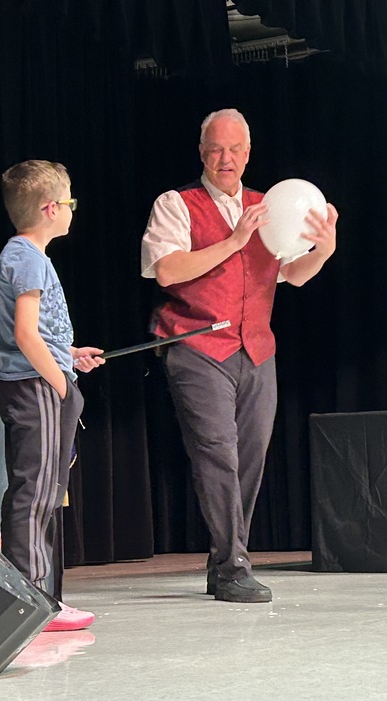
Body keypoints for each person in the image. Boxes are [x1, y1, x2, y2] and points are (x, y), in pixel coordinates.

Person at [141, 108, 338, 603]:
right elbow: (167, 272)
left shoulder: (268, 205)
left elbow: (292, 275)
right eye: (215, 148)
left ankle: (225, 559)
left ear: (248, 154)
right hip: (196, 344)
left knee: (249, 457)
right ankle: (232, 566)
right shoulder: (177, 204)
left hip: (257, 348)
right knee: (218, 454)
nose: (224, 158)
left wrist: (324, 250)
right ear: (202, 151)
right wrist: (234, 241)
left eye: (234, 149)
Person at [0, 159, 105, 630]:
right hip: (36, 387)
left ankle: (42, 600)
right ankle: (33, 603)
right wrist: (59, 381)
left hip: (42, 379)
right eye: (71, 202)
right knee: (35, 494)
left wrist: (68, 354)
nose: (73, 210)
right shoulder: (27, 258)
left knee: (44, 493)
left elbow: (39, 333)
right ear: (51, 208)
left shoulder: (30, 257)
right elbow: (24, 333)